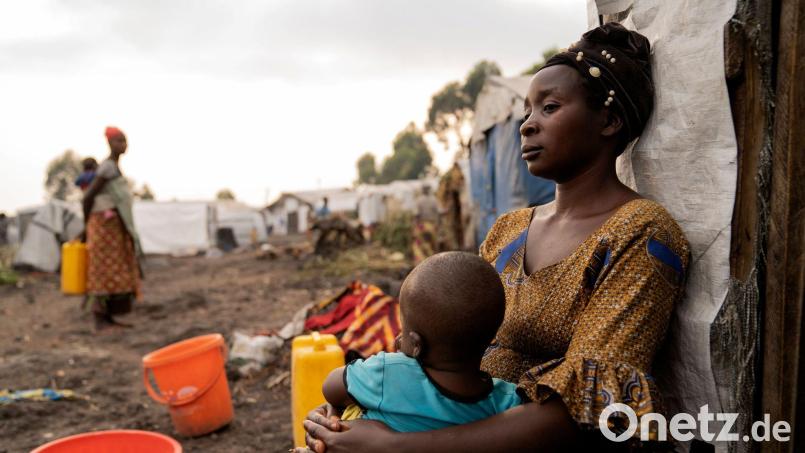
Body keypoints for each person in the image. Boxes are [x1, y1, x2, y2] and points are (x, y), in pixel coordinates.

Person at [298, 23, 690, 452]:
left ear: (609, 121)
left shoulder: (640, 234)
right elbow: (445, 347)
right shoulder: (509, 229)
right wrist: (357, 414)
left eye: (550, 107)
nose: (527, 125)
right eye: (527, 111)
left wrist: (396, 446)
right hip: (450, 422)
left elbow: (591, 406)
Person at [321, 252, 522, 431]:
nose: (399, 338)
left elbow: (331, 386)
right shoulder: (506, 401)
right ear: (492, 338)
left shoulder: (388, 372)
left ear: (417, 345)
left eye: (404, 329)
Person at [81, 126, 143, 332]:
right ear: (109, 143)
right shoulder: (107, 168)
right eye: (119, 141)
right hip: (104, 227)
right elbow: (88, 197)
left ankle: (108, 317)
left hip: (113, 228)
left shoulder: (113, 167)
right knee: (102, 271)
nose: (123, 145)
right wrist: (87, 225)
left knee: (115, 271)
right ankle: (99, 317)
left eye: (125, 140)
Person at [411, 186, 439, 264]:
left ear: (422, 191)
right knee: (433, 244)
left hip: (422, 225)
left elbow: (416, 214)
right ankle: (434, 261)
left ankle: (420, 262)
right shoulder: (434, 199)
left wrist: (416, 226)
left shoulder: (419, 200)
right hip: (432, 225)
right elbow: (438, 212)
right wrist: (437, 224)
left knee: (419, 244)